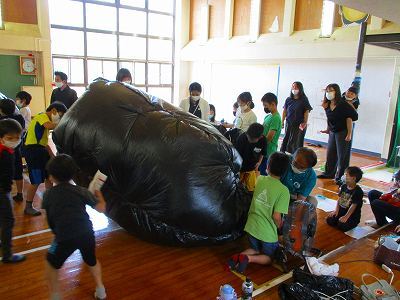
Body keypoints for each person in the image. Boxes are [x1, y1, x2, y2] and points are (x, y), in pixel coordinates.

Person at [43, 154, 106, 300]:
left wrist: (56, 232)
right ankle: (101, 290)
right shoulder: (81, 191)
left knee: (51, 264)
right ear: (73, 173)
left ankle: (55, 295)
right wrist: (99, 195)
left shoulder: (48, 195)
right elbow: (101, 209)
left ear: (51, 176)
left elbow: (50, 218)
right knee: (91, 260)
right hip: (86, 233)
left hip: (63, 237)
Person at [227, 152, 290, 273]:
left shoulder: (260, 179)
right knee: (269, 258)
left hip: (251, 226)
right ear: (285, 171)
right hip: (267, 233)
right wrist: (280, 228)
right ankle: (248, 259)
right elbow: (276, 216)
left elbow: (257, 175)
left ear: (268, 167)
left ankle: (237, 258)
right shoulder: (284, 191)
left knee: (254, 248)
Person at [24, 102, 67, 216]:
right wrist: (65, 122)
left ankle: (49, 202)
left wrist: (51, 155)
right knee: (36, 180)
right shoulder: (42, 116)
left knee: (49, 177)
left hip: (41, 150)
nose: (59, 117)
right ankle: (28, 206)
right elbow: (49, 126)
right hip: (33, 151)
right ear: (53, 110)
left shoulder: (45, 121)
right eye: (60, 114)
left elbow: (44, 142)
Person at [317, 84, 358, 184]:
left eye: (331, 90)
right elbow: (329, 118)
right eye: (327, 90)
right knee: (331, 153)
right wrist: (328, 129)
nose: (328, 93)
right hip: (333, 131)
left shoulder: (343, 104)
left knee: (342, 155)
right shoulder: (327, 104)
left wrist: (349, 134)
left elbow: (350, 118)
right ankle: (329, 173)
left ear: (336, 92)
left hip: (343, 131)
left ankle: (341, 177)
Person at [0, 119, 26, 263]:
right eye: (10, 138)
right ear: (1, 138)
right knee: (8, 220)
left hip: (4, 189)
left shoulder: (7, 149)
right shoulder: (3, 152)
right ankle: (7, 254)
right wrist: (6, 188)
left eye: (18, 138)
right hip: (2, 190)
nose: (15, 141)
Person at [0, 99, 25, 202]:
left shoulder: (2, 120)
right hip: (17, 149)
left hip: (4, 150)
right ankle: (20, 193)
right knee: (18, 172)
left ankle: (6, 192)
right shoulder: (19, 117)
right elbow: (22, 131)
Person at [327, 166, 364, 232]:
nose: (344, 176)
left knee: (342, 226)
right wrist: (336, 211)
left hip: (352, 216)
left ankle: (348, 222)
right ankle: (339, 220)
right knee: (330, 220)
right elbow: (339, 199)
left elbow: (354, 205)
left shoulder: (358, 191)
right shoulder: (344, 186)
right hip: (341, 212)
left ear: (353, 178)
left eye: (346, 175)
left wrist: (346, 217)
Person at [281, 82, 313, 154]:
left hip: (299, 124)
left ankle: (296, 156)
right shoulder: (288, 99)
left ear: (300, 89)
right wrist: (282, 121)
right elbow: (285, 111)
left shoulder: (304, 99)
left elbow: (306, 111)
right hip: (289, 123)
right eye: (293, 87)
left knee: (297, 141)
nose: (294, 89)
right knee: (286, 138)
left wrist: (305, 122)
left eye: (296, 87)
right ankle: (283, 154)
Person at [235, 123, 266, 192]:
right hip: (241, 167)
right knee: (237, 187)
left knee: (251, 189)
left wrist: (259, 162)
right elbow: (236, 156)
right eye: (249, 137)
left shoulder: (263, 141)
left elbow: (262, 153)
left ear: (260, 137)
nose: (249, 140)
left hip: (252, 168)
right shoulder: (241, 138)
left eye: (252, 139)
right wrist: (237, 170)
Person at [259, 92, 281, 176]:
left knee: (265, 173)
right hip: (264, 150)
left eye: (266, 105)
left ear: (273, 104)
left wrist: (261, 144)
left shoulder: (276, 118)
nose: (265, 107)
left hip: (268, 151)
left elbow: (269, 137)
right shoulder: (268, 116)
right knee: (261, 171)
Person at [342, 86, 360, 174]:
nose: (349, 94)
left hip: (348, 126)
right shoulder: (341, 98)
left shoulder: (355, 102)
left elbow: (354, 114)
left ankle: (344, 170)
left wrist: (349, 102)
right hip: (337, 125)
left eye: (352, 93)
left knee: (345, 149)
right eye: (348, 92)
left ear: (355, 96)